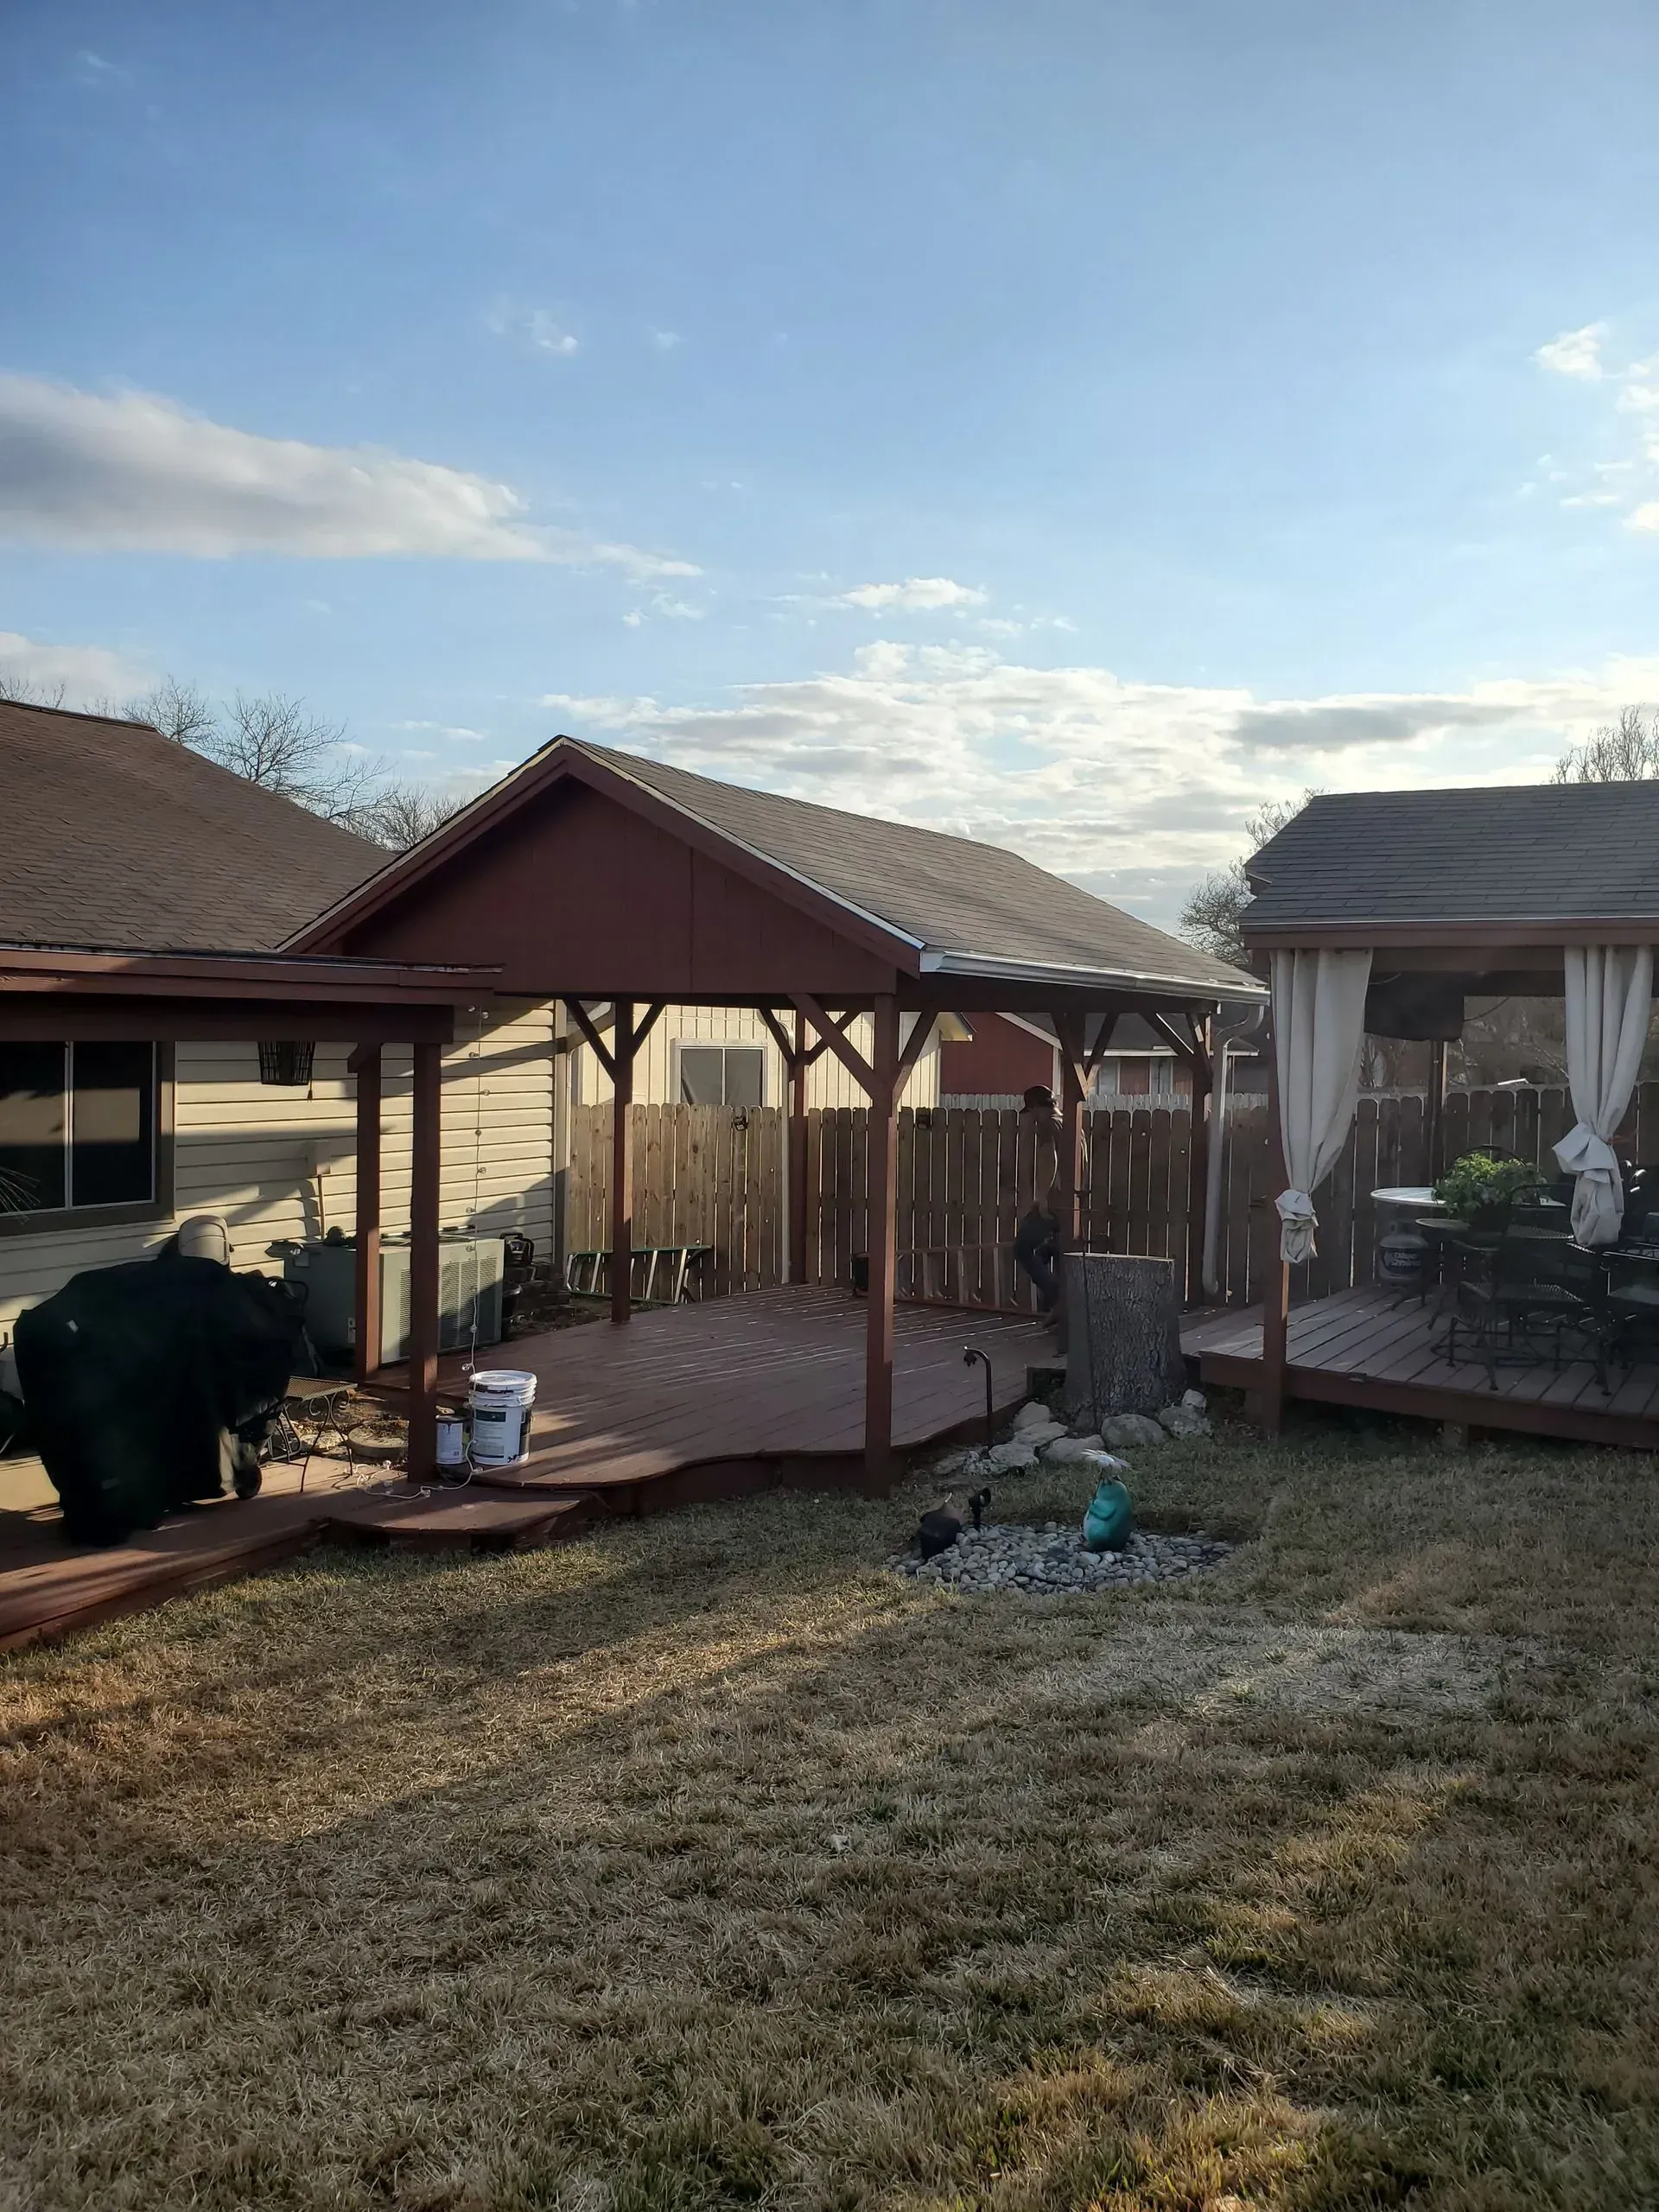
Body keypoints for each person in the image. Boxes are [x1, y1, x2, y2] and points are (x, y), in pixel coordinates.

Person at [1014, 1083, 1065, 1312]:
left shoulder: (1046, 1126)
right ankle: (1051, 1304)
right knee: (1047, 1250)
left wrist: (1042, 1197)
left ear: (1034, 1108)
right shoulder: (1069, 1125)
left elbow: (1049, 1159)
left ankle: (1057, 1295)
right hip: (1068, 1202)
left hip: (1053, 1202)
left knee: (1022, 1248)